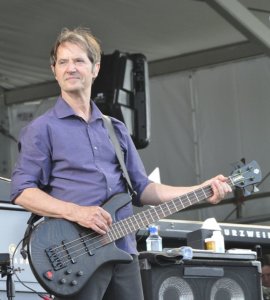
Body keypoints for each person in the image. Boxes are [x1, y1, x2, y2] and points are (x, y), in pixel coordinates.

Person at [10, 27, 232, 300]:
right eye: (63, 62)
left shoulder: (115, 129)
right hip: (77, 257)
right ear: (54, 70)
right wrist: (77, 212)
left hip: (123, 250)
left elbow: (144, 189)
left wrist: (201, 189)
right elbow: (22, 191)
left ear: (95, 68)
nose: (70, 68)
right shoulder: (41, 129)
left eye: (79, 60)